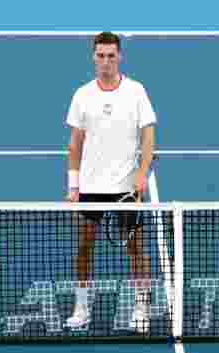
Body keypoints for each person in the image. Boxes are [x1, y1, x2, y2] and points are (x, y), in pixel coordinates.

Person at [64, 31, 157, 333]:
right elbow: (75, 144)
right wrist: (73, 185)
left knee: (135, 249)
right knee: (84, 247)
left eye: (111, 56)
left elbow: (148, 135)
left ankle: (142, 305)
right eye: (101, 55)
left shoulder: (136, 91)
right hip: (91, 188)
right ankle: (81, 306)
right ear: (94, 57)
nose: (106, 61)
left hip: (126, 188)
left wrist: (142, 173)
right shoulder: (82, 95)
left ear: (120, 57)